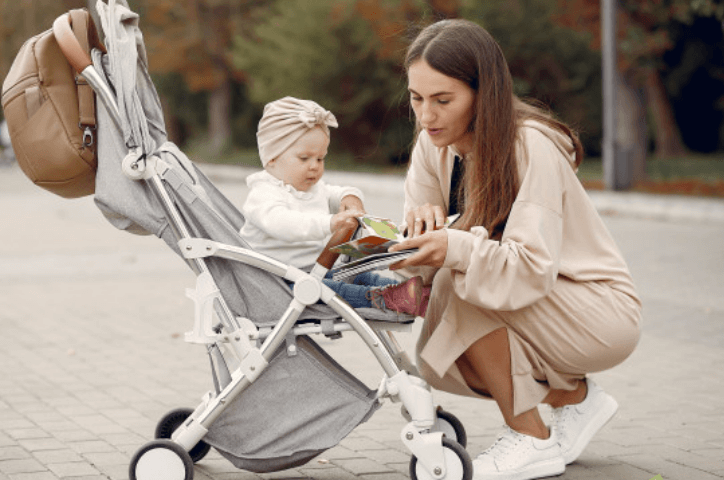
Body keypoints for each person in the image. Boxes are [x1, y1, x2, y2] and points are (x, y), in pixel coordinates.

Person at [387, 19, 642, 480]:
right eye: (416, 98)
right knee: (443, 324)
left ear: (483, 94)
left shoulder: (530, 147)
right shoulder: (433, 145)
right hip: (540, 303)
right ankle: (576, 401)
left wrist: (452, 248)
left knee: (459, 282)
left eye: (443, 100)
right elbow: (426, 242)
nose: (426, 116)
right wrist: (404, 250)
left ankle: (531, 438)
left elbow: (529, 268)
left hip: (598, 310)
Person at [240, 96, 426, 316]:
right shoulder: (264, 194)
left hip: (314, 270)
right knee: (331, 289)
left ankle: (408, 293)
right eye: (304, 158)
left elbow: (334, 192)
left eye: (320, 159)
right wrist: (328, 223)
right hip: (278, 280)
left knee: (356, 273)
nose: (314, 167)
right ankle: (381, 298)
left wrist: (350, 197)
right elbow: (283, 223)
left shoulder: (310, 187)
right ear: (271, 158)